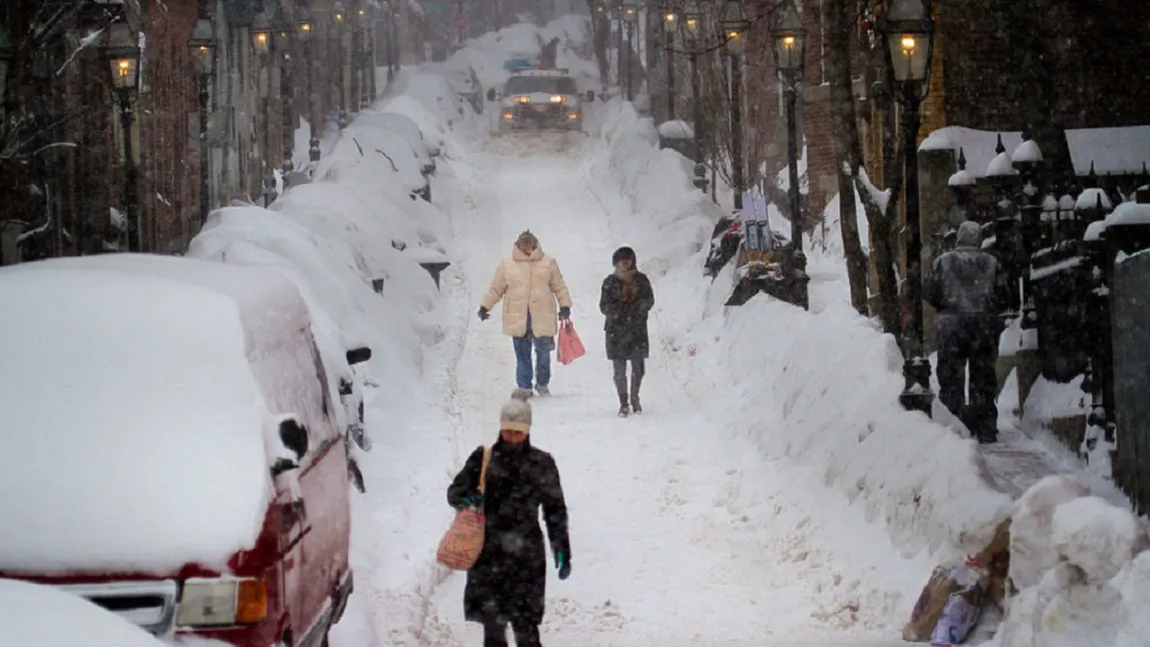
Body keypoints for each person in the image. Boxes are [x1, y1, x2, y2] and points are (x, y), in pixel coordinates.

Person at [446, 392, 571, 647]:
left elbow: (554, 509)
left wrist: (562, 548)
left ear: (528, 431)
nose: (513, 438)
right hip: (490, 554)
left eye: (518, 432)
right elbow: (455, 492)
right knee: (493, 631)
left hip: (526, 557)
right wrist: (469, 500)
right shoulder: (483, 459)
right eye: (508, 432)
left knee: (527, 630)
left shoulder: (541, 463)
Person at [924, 220, 1012, 444]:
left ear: (959, 237)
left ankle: (954, 422)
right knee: (982, 375)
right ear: (978, 238)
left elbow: (929, 290)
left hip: (951, 324)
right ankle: (984, 425)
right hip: (983, 324)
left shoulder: (943, 262)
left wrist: (946, 306)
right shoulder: (991, 263)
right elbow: (1004, 294)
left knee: (951, 376)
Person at [479, 231, 573, 397]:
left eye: (530, 246)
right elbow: (496, 288)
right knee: (522, 352)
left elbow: (559, 286)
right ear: (519, 245)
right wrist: (485, 306)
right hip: (518, 315)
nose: (528, 250)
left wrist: (564, 305)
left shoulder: (548, 262)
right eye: (525, 246)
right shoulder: (507, 263)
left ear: (535, 245)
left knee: (543, 351)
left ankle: (542, 383)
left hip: (542, 314)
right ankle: (524, 386)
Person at [599, 246, 655, 417]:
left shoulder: (641, 280)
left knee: (639, 368)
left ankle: (635, 397)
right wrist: (619, 311)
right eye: (622, 260)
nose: (625, 263)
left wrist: (637, 310)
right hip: (616, 331)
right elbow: (604, 305)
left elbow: (649, 300)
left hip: (637, 330)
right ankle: (623, 402)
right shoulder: (609, 282)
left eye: (628, 259)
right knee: (619, 370)